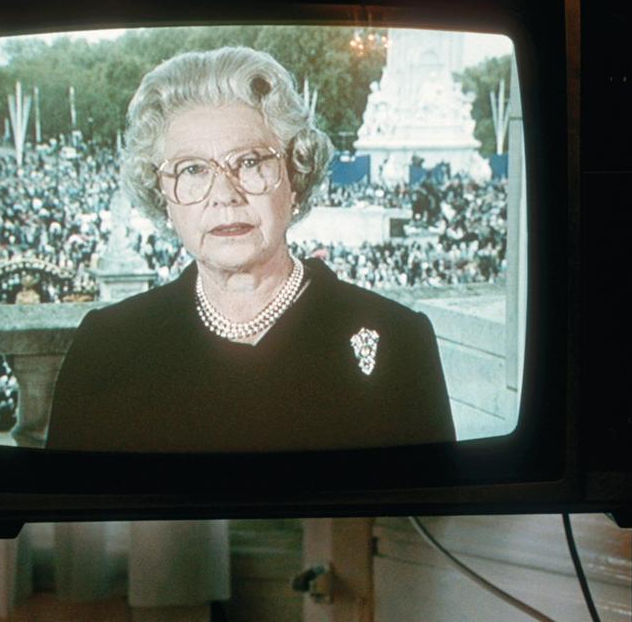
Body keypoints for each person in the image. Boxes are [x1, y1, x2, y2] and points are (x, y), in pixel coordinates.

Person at [47, 46, 455, 453]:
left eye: (249, 162)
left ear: (295, 176)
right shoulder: (105, 346)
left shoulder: (398, 338)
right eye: (193, 169)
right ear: (162, 196)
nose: (225, 195)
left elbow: (428, 516)